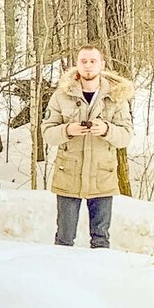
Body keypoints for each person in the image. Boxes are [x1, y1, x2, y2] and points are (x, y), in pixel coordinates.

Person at [40, 44, 134, 249]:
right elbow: (47, 133)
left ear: (102, 64)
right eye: (84, 61)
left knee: (101, 239)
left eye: (93, 61)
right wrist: (68, 130)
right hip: (68, 175)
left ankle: (99, 278)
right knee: (64, 239)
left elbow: (125, 137)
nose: (88, 66)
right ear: (77, 64)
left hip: (102, 176)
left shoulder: (116, 97)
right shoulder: (61, 95)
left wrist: (107, 130)